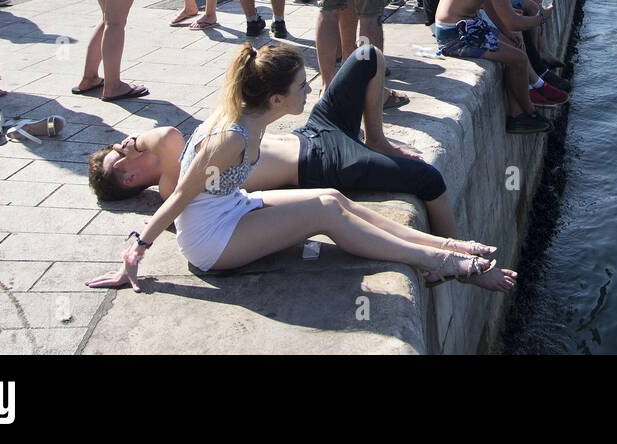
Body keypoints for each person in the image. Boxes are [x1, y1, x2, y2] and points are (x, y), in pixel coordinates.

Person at [86, 41, 515, 292]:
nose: (308, 90)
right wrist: (136, 253)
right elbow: (180, 197)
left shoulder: (245, 118)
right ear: (275, 101)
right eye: (300, 86)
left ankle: (450, 247)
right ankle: (440, 262)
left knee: (332, 197)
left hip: (233, 210)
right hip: (211, 242)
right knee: (324, 212)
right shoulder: (230, 137)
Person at [432, 0, 555, 133]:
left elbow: (488, 4)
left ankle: (516, 115)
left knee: (514, 46)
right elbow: (514, 21)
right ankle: (530, 112)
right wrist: (541, 18)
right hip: (455, 36)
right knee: (520, 59)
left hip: (455, 25)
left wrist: (506, 32)